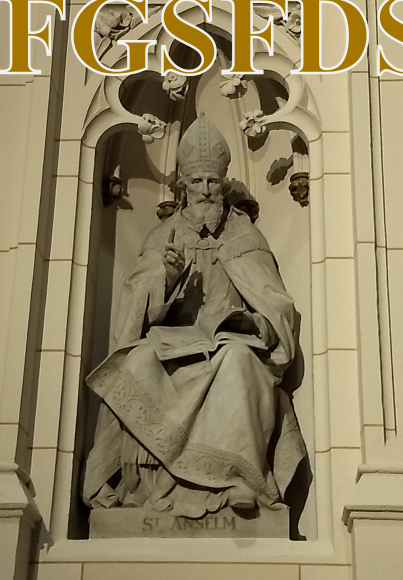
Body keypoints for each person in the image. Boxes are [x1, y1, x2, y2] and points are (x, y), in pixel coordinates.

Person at [83, 115, 306, 518]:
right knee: (136, 361)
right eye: (197, 181)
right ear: (182, 186)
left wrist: (255, 324)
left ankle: (240, 477)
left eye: (213, 182)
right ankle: (148, 488)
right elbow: (133, 315)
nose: (205, 190)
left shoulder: (245, 236)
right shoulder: (163, 236)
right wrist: (166, 282)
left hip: (231, 344)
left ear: (224, 184)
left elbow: (276, 304)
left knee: (240, 363)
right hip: (175, 344)